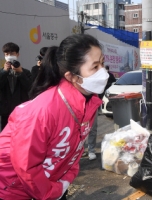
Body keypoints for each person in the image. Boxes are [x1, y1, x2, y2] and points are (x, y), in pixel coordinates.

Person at [0, 34, 109, 199]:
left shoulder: (88, 103)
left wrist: (65, 181)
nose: (103, 72)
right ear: (71, 76)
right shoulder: (43, 110)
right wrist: (52, 192)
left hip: (50, 183)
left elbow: (75, 150)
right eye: (95, 67)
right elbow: (26, 166)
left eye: (102, 63)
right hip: (13, 189)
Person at [0, 42, 32, 131]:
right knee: (5, 134)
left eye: (12, 53)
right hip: (5, 111)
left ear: (17, 54)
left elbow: (30, 87)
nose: (9, 56)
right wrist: (4, 72)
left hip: (21, 110)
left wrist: (20, 73)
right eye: (7, 54)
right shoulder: (1, 72)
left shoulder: (25, 72)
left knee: (21, 133)